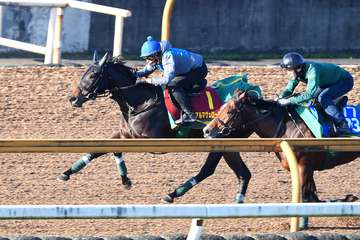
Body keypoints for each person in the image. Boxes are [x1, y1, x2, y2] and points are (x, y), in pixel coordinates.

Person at [277, 52, 354, 135]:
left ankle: (342, 124)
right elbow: (289, 89)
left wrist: (289, 101)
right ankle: (329, 122)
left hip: (345, 80)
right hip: (327, 82)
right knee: (315, 99)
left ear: (297, 68)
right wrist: (280, 98)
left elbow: (308, 95)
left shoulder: (312, 70)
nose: (287, 72)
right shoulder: (297, 72)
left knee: (323, 97)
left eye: (288, 70)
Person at [136, 36, 208, 124]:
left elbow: (167, 79)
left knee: (173, 85)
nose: (147, 61)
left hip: (198, 70)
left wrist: (149, 81)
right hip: (186, 71)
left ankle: (191, 115)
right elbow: (146, 71)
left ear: (156, 54)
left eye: (149, 57)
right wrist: (133, 74)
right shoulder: (157, 57)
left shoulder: (168, 56)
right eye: (145, 58)